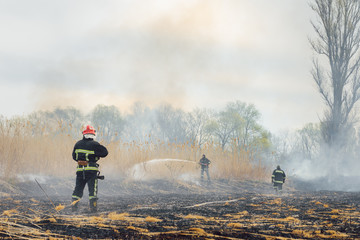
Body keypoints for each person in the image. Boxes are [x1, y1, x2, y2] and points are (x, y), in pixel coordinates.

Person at [71, 125, 108, 213]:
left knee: (78, 190)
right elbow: (105, 152)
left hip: (80, 171)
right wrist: (96, 154)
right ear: (93, 135)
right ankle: (93, 210)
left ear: (83, 134)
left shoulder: (77, 144)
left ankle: (73, 209)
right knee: (92, 192)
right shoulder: (95, 144)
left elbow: (74, 157)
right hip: (91, 171)